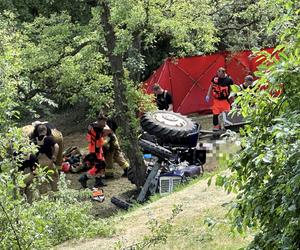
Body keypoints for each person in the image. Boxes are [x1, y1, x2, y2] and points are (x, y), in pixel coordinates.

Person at [78, 114, 111, 188]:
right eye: (104, 121)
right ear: (100, 121)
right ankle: (84, 178)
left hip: (98, 148)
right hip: (95, 150)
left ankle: (98, 181)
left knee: (102, 165)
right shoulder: (96, 128)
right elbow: (108, 130)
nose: (105, 123)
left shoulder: (95, 125)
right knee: (98, 166)